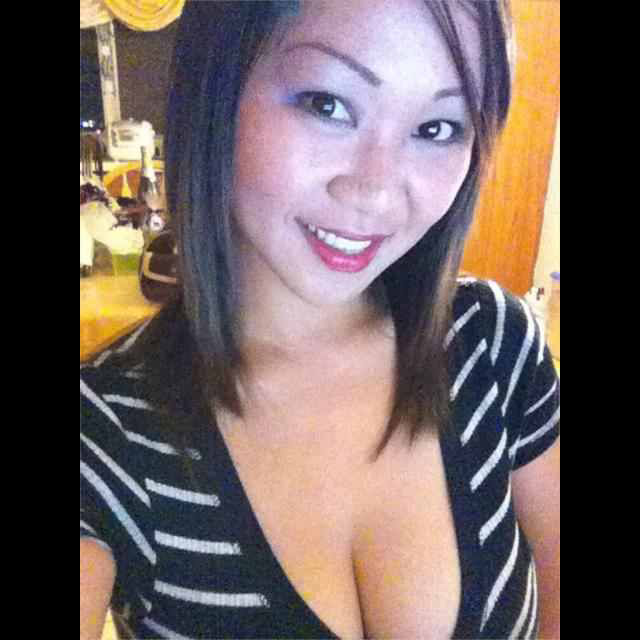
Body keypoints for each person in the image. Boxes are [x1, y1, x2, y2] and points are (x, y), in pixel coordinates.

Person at [80, 1, 560, 638]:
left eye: (438, 128)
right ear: (217, 87)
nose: (377, 190)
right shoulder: (105, 432)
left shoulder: (492, 344)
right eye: (327, 104)